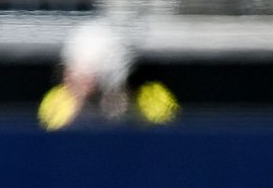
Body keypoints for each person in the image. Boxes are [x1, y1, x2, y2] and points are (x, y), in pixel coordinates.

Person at [39, 20, 179, 130]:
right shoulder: (57, 103)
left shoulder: (153, 98)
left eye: (85, 71)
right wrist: (77, 110)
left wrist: (130, 112)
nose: (70, 77)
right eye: (70, 68)